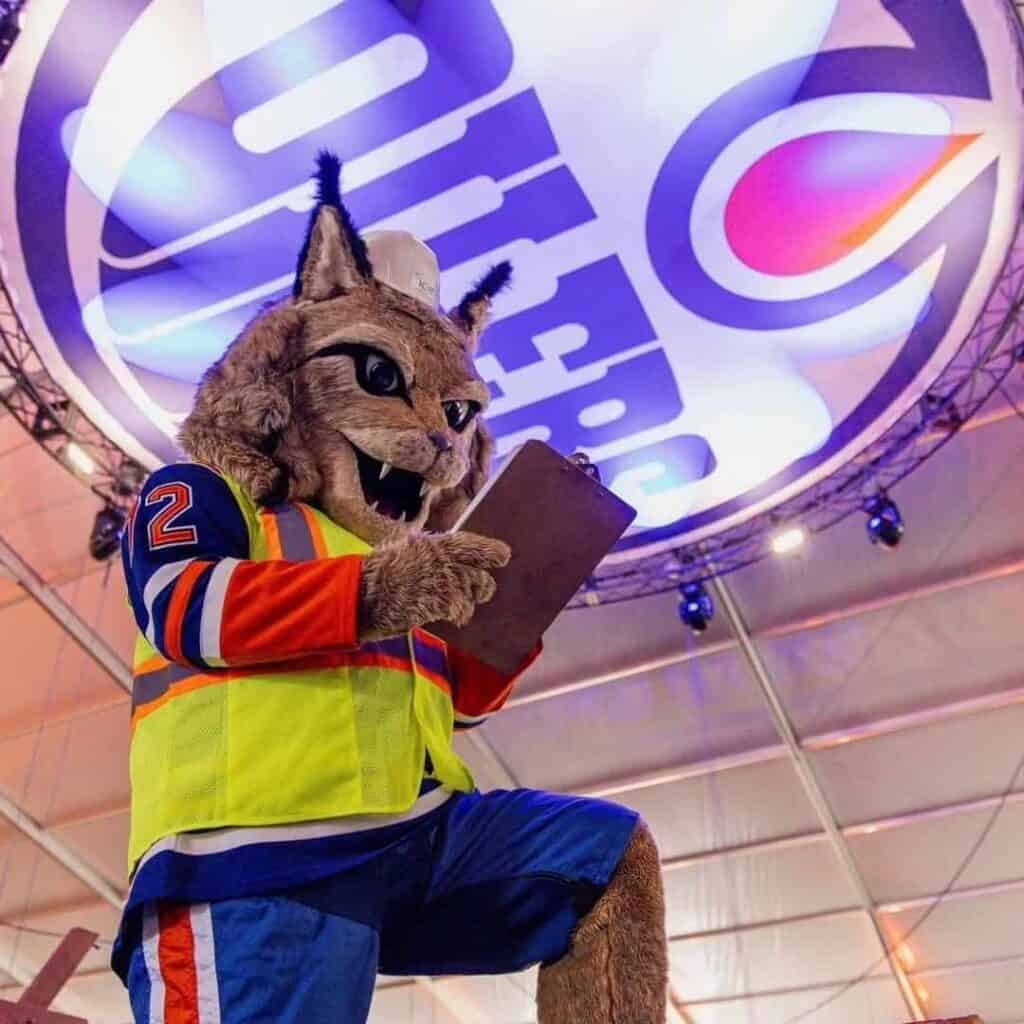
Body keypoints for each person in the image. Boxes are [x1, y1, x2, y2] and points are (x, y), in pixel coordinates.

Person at [112, 153, 668, 1023]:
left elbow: (458, 707)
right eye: (380, 376)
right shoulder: (206, 493)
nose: (437, 439)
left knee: (605, 862)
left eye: (456, 415)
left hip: (415, 832)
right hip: (248, 855)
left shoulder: (404, 558)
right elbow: (190, 612)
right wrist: (385, 593)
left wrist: (509, 616)